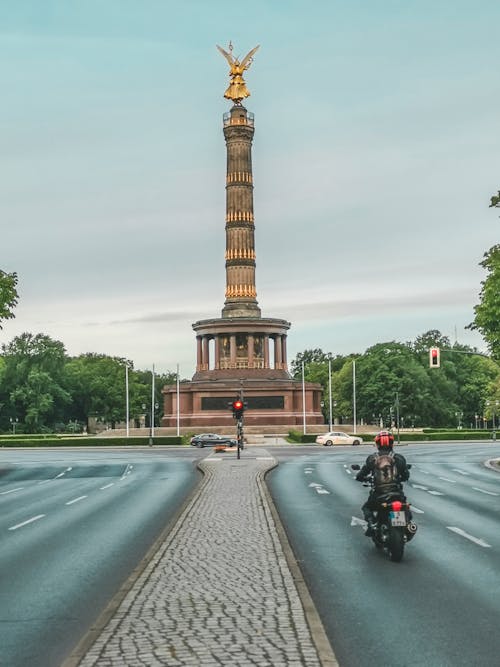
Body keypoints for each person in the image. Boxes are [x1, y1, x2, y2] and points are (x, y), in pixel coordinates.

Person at [355, 430, 410, 536]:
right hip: (396, 492)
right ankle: (407, 524)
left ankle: (372, 524)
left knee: (367, 507)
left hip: (379, 493)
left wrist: (361, 478)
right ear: (392, 443)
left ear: (377, 444)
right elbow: (406, 475)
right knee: (405, 508)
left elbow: (362, 474)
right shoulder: (399, 458)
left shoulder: (372, 459)